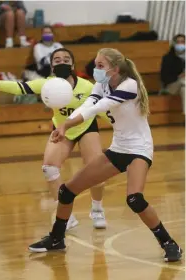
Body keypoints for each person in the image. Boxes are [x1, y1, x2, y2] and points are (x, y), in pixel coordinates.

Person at [28, 48, 183, 262]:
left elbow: (99, 106)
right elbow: (87, 104)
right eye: (95, 64)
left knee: (135, 199)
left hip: (139, 149)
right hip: (118, 148)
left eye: (100, 65)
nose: (95, 69)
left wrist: (66, 124)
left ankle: (169, 243)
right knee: (66, 192)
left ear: (115, 69)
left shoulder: (130, 85)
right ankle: (56, 239)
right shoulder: (101, 85)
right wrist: (65, 125)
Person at [0, 47, 110, 230]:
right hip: (62, 130)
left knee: (96, 172)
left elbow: (104, 110)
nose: (62, 62)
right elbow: (19, 88)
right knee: (49, 169)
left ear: (73, 64)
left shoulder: (87, 86)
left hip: (86, 127)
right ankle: (65, 215)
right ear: (51, 66)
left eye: (66, 59)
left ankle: (97, 209)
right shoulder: (47, 84)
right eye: (57, 60)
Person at [160, 34, 185, 114]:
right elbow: (164, 77)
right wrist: (178, 76)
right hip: (172, 85)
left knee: (184, 89)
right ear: (174, 44)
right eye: (178, 42)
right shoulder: (167, 58)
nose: (180, 44)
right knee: (183, 82)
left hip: (183, 86)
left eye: (183, 42)